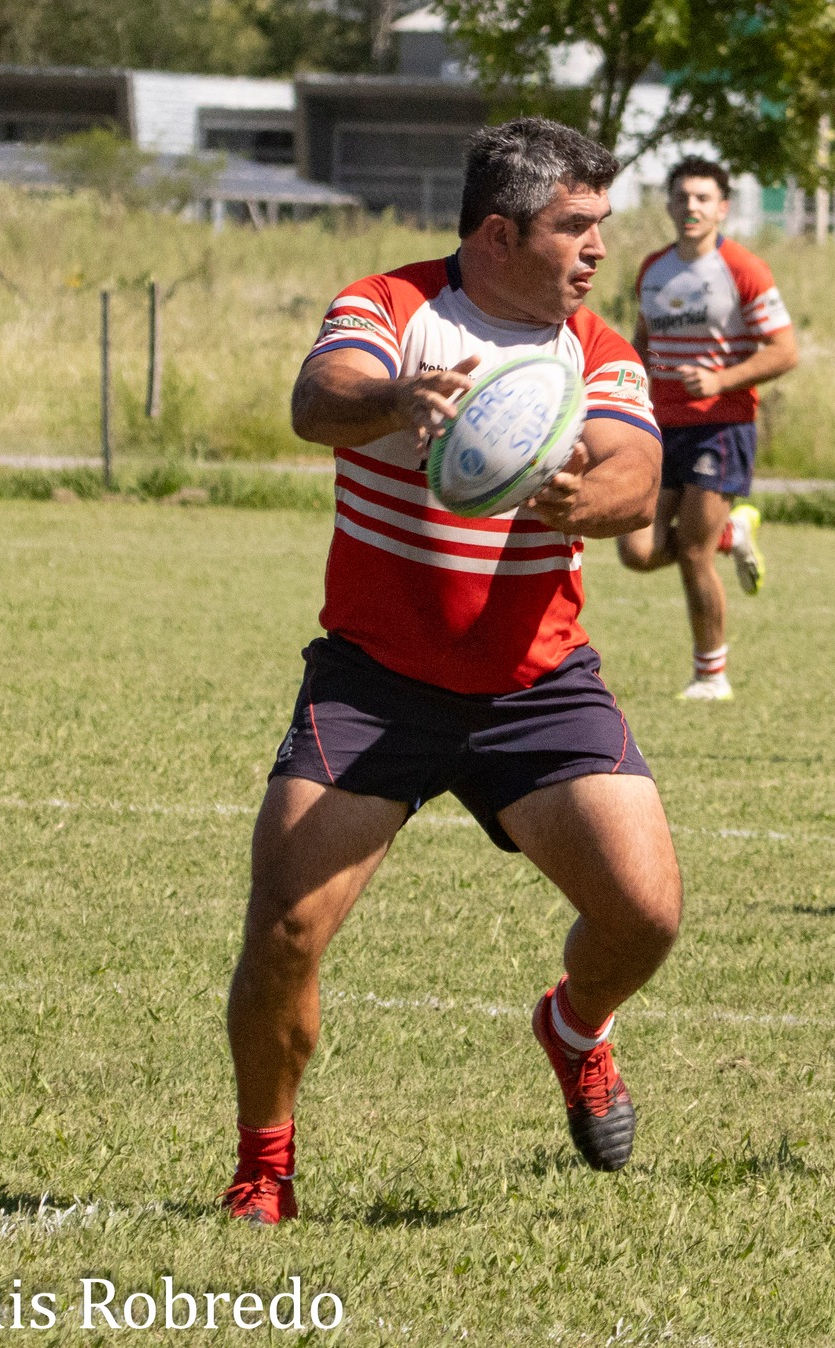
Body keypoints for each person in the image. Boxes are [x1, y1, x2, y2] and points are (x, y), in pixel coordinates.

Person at [223, 119, 682, 1225]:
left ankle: (574, 1029)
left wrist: (588, 497)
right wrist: (398, 401)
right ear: (496, 232)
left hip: (536, 685)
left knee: (644, 916)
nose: (595, 250)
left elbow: (636, 470)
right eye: (574, 228)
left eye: (599, 227)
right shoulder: (390, 306)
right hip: (377, 683)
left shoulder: (599, 351)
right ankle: (264, 1165)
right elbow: (317, 398)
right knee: (285, 925)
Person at [616, 156, 798, 701]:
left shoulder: (744, 269)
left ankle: (711, 675)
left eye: (702, 198)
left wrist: (723, 380)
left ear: (722, 207)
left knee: (691, 551)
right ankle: (730, 533)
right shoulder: (653, 269)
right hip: (661, 424)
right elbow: (642, 340)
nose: (691, 207)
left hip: (723, 424)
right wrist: (624, 391)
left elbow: (786, 351)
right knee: (637, 551)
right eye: (681, 197)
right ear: (669, 204)